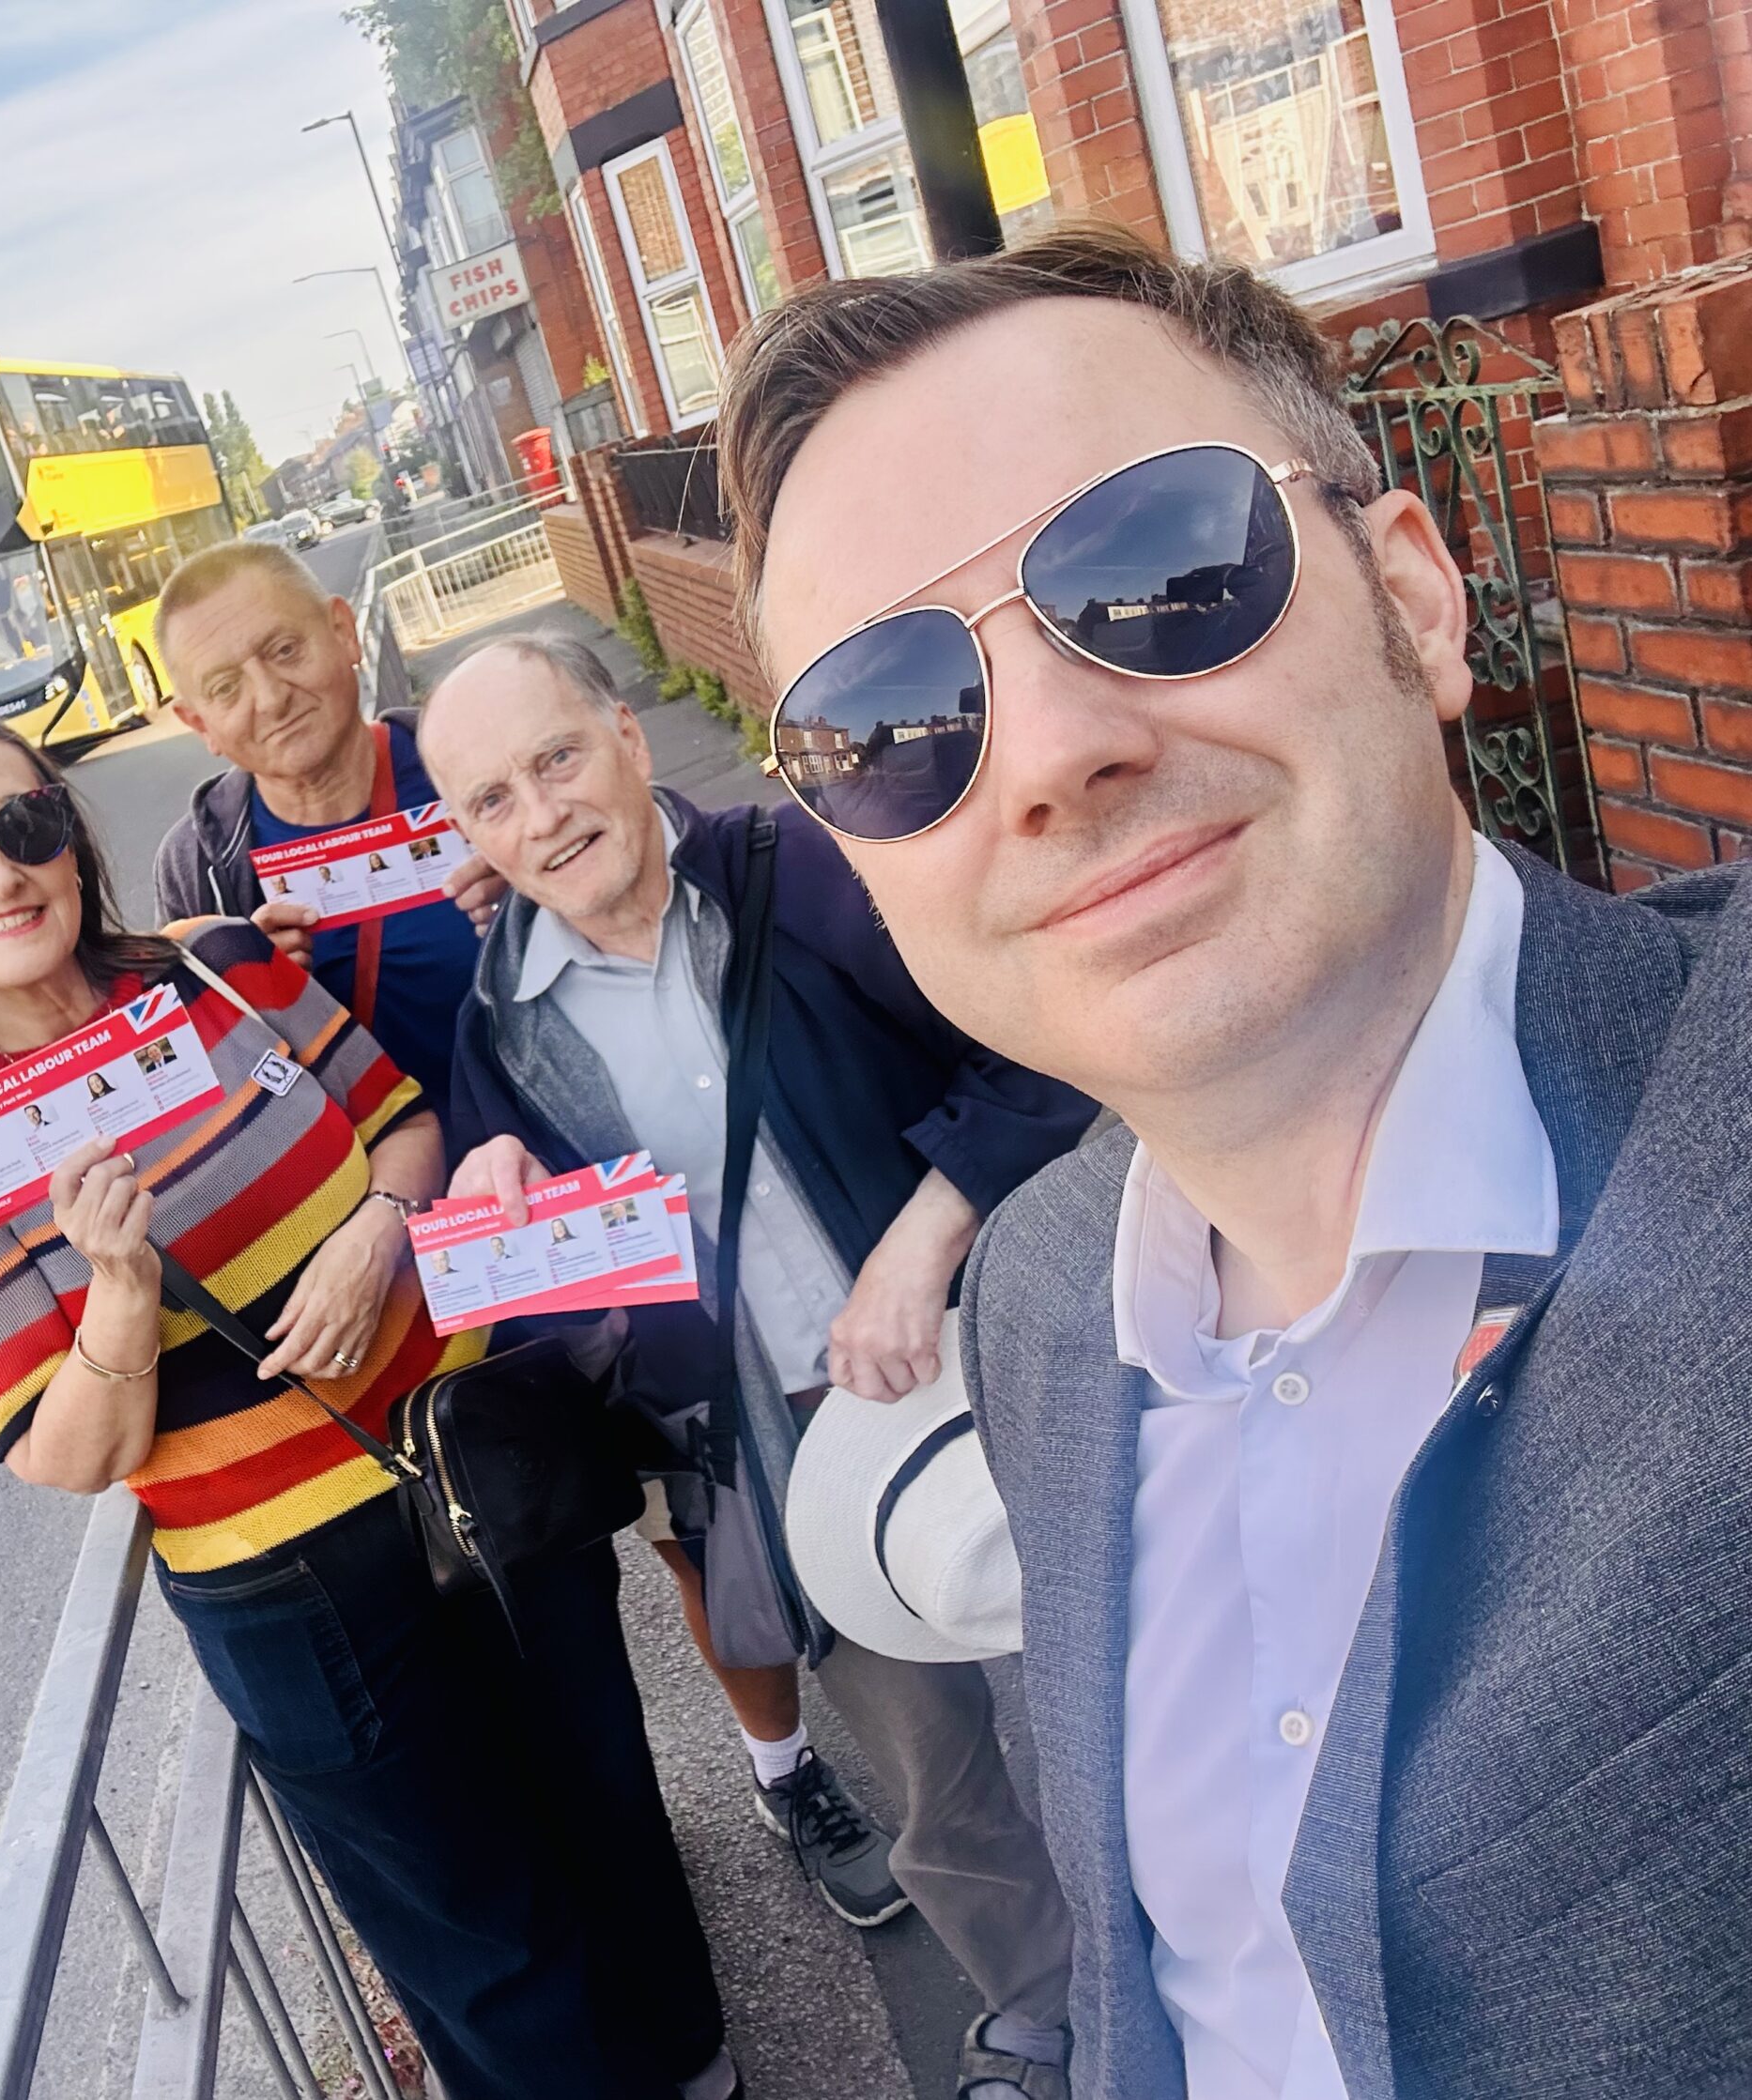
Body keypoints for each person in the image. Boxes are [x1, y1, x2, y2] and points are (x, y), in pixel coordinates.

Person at [718, 223, 1752, 2100]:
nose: (1041, 754)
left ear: (1415, 604)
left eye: (1158, 567)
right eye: (890, 721)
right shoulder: (1036, 1296)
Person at [0, 714, 736, 2100]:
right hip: (292, 1588)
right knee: (471, 1918)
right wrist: (122, 1292)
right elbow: (62, 1448)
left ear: (69, 841)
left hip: (478, 1460)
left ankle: (697, 2057)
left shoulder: (221, 966)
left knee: (603, 1794)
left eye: (24, 828)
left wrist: (381, 1227)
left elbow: (403, 1116)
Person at [427, 633, 1093, 2099]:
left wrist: (925, 1238)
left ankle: (1231, 1958)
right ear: (465, 836)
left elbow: (1040, 1050)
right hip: (781, 1461)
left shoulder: (802, 872)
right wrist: (500, 1198)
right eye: (490, 799)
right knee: (936, 1779)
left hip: (998, 1353)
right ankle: (1047, 2019)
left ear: (627, 736)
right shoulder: (498, 1026)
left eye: (556, 759)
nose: (540, 815)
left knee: (1127, 1671)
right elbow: (571, 1324)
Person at [149, 540, 503, 1103]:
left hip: (550, 1161)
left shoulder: (481, 767)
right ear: (201, 725)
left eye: (285, 649)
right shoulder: (198, 866)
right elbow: (215, 1093)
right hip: (370, 1185)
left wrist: (538, 897)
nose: (269, 698)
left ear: (343, 632)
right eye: (225, 688)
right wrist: (248, 999)